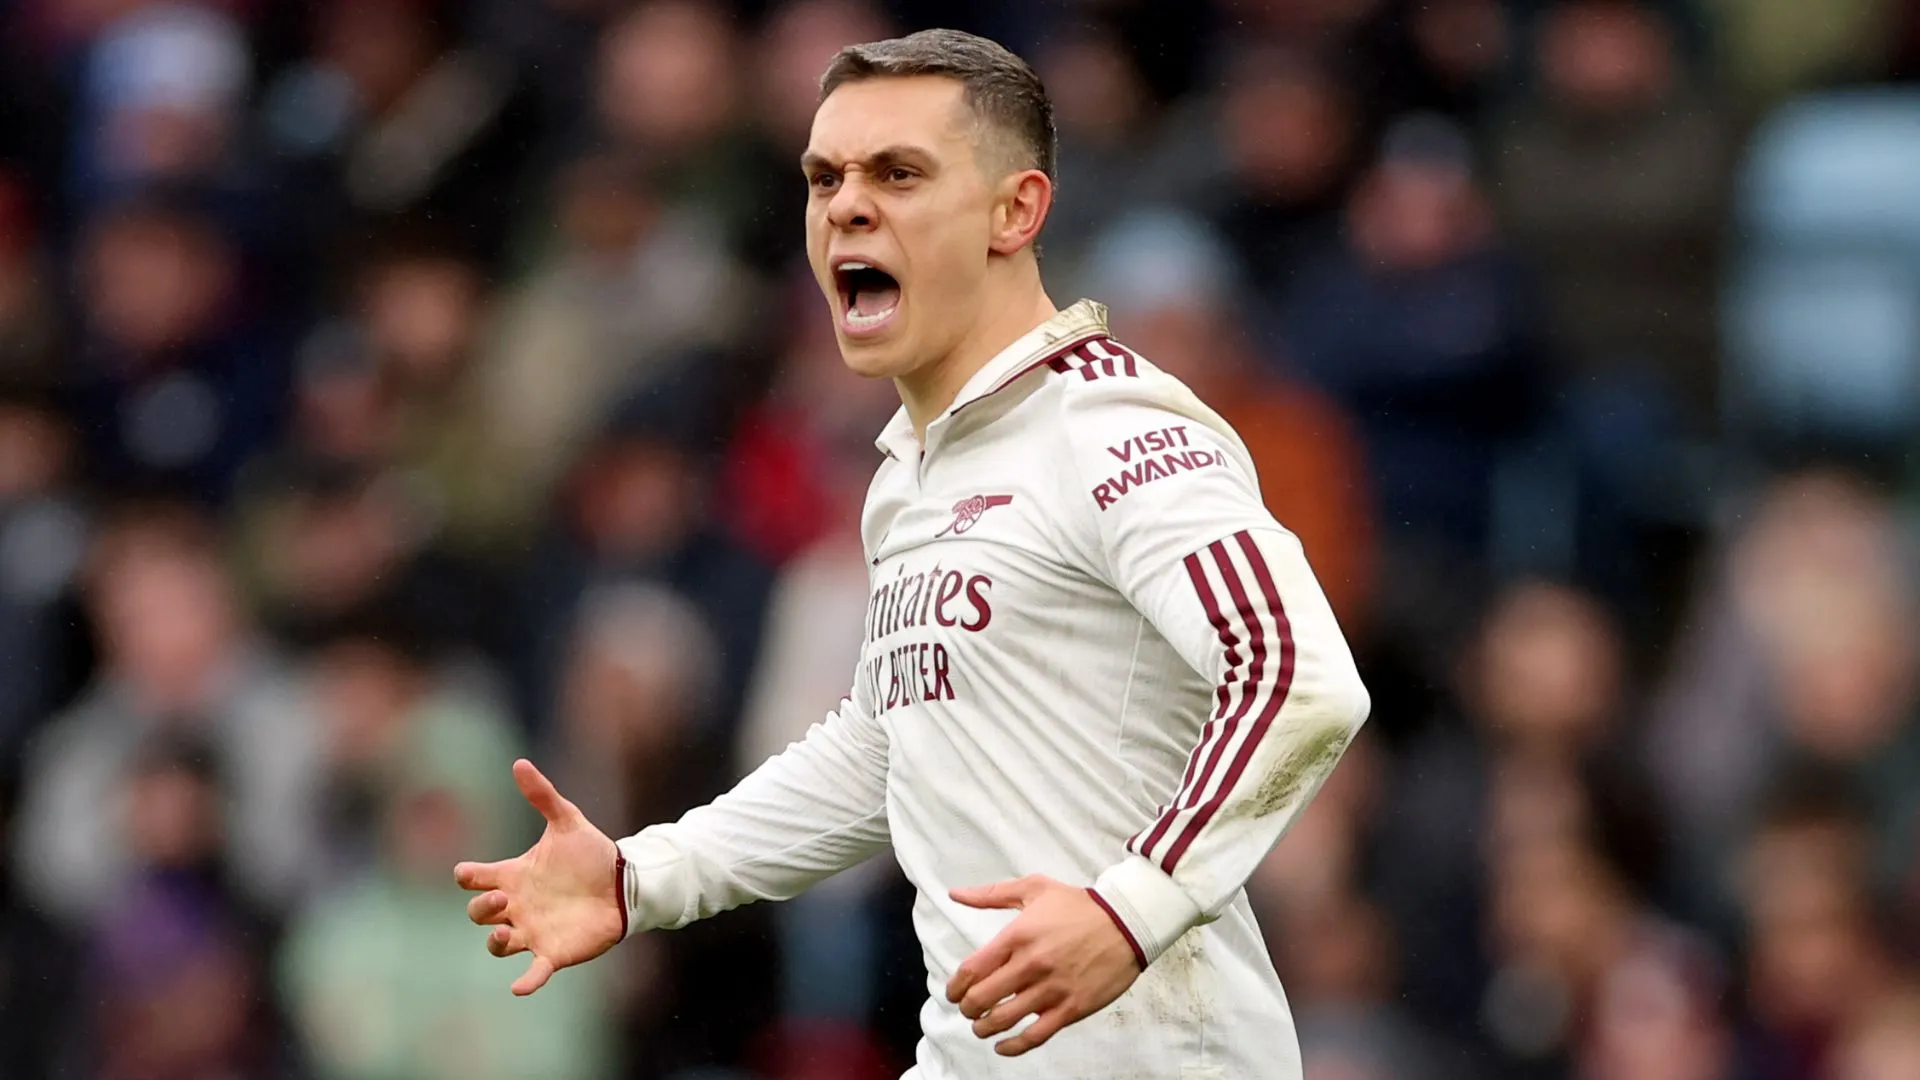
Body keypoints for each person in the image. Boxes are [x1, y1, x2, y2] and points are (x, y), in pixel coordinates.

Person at [455, 28, 1370, 1078]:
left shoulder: (1111, 425)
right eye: (824, 177)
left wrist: (1131, 909)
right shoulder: (909, 479)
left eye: (898, 173)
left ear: (1015, 211)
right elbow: (887, 747)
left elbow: (1297, 676)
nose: (845, 205)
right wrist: (639, 877)